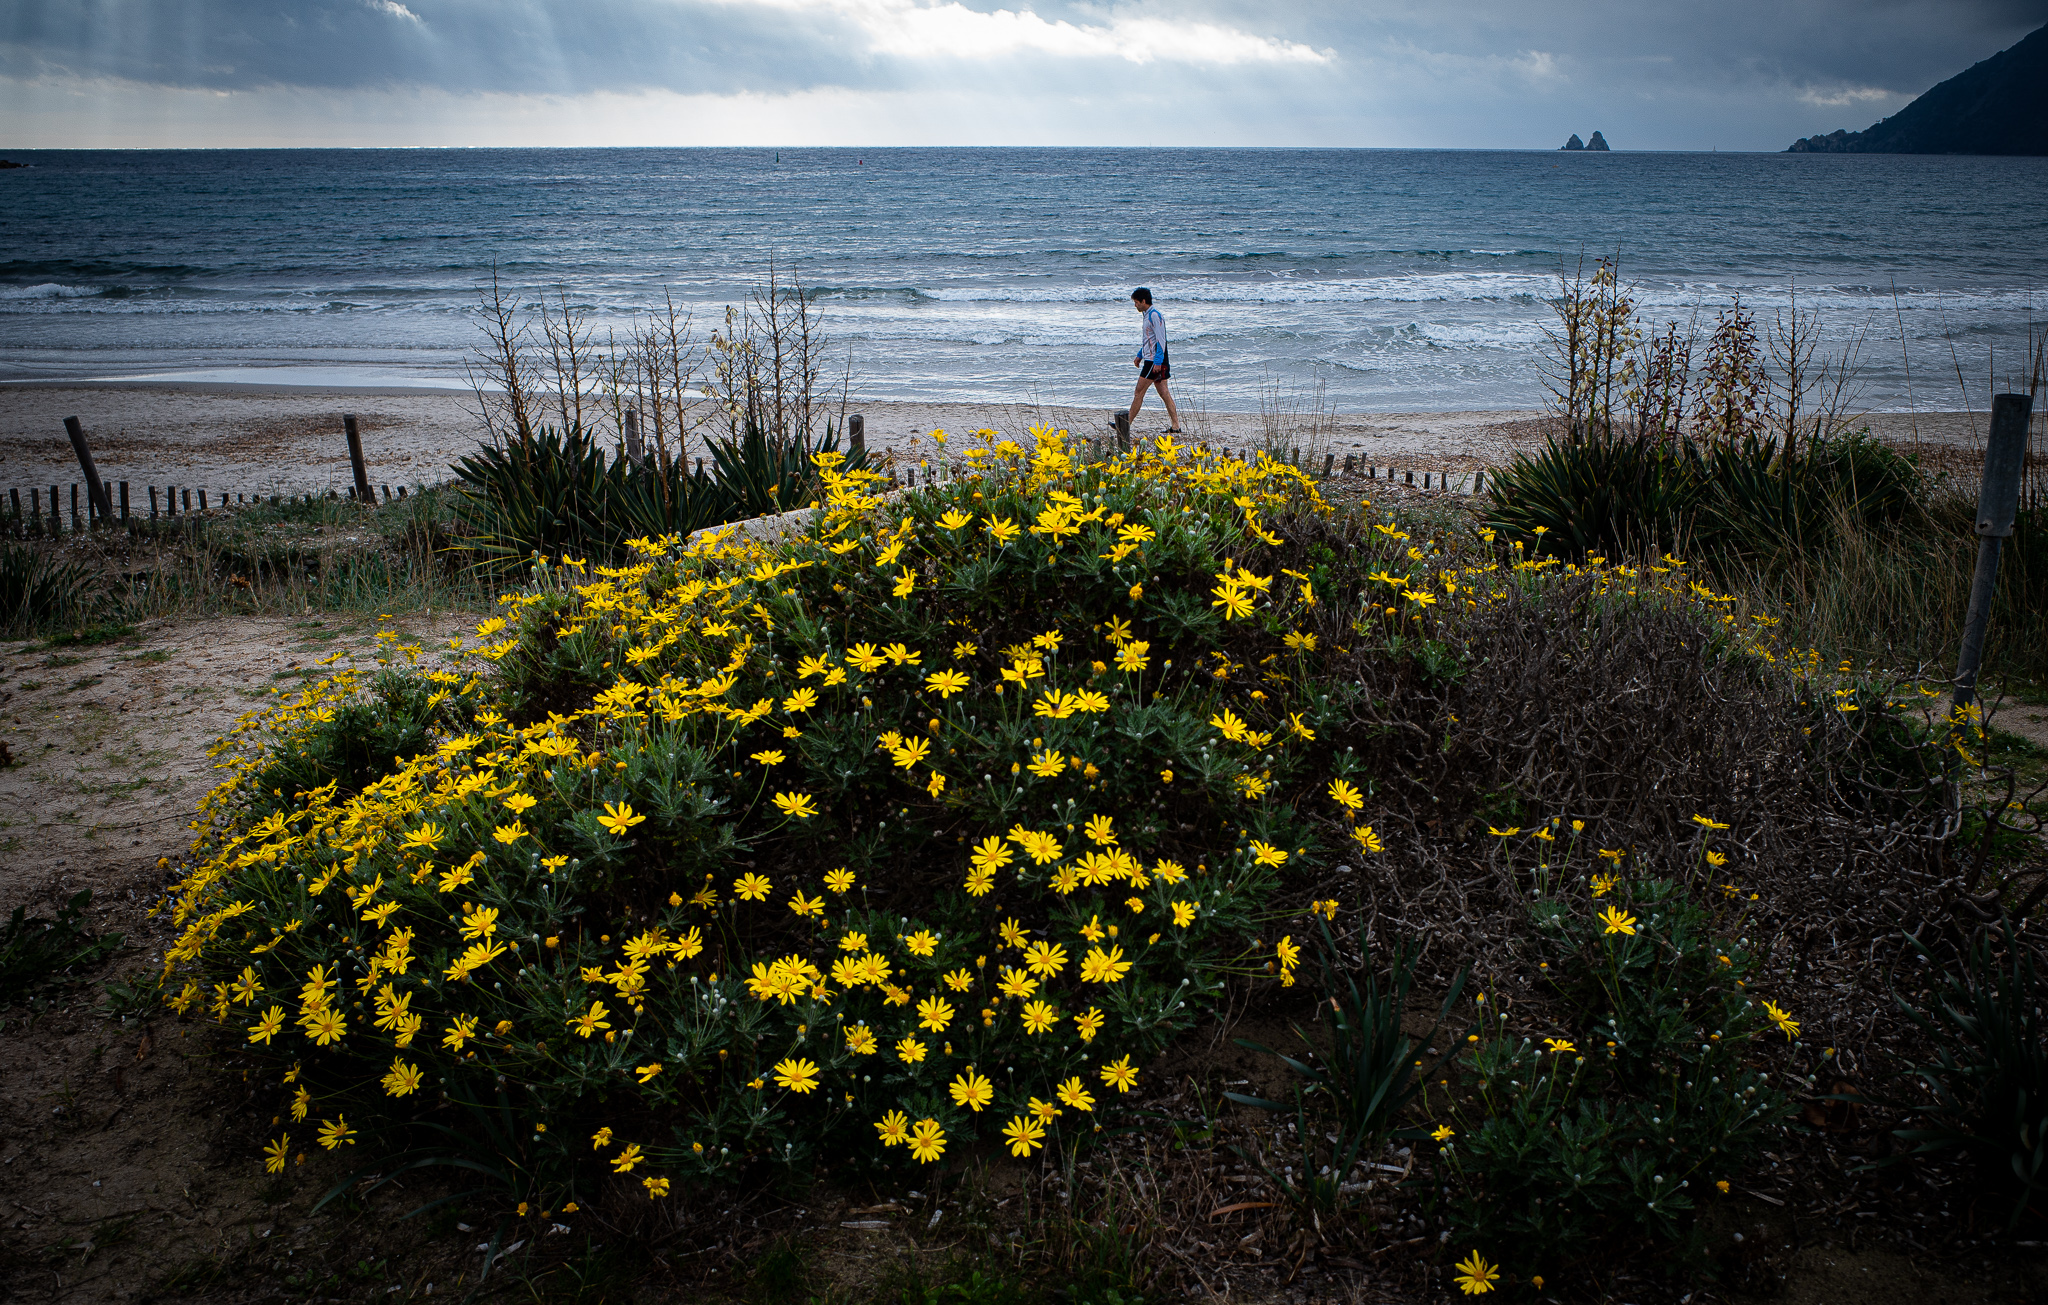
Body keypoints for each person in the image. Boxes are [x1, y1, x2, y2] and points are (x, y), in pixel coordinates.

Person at [1124, 287, 1181, 434]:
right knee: (1164, 393)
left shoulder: (1155, 316)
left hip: (1154, 361)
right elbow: (1149, 340)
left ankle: (1125, 424)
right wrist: (1139, 355)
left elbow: (1161, 340)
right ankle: (1176, 426)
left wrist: (1157, 362)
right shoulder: (1146, 315)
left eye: (1136, 302)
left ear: (1144, 301)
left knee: (1138, 392)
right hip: (1150, 358)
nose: (1135, 305)